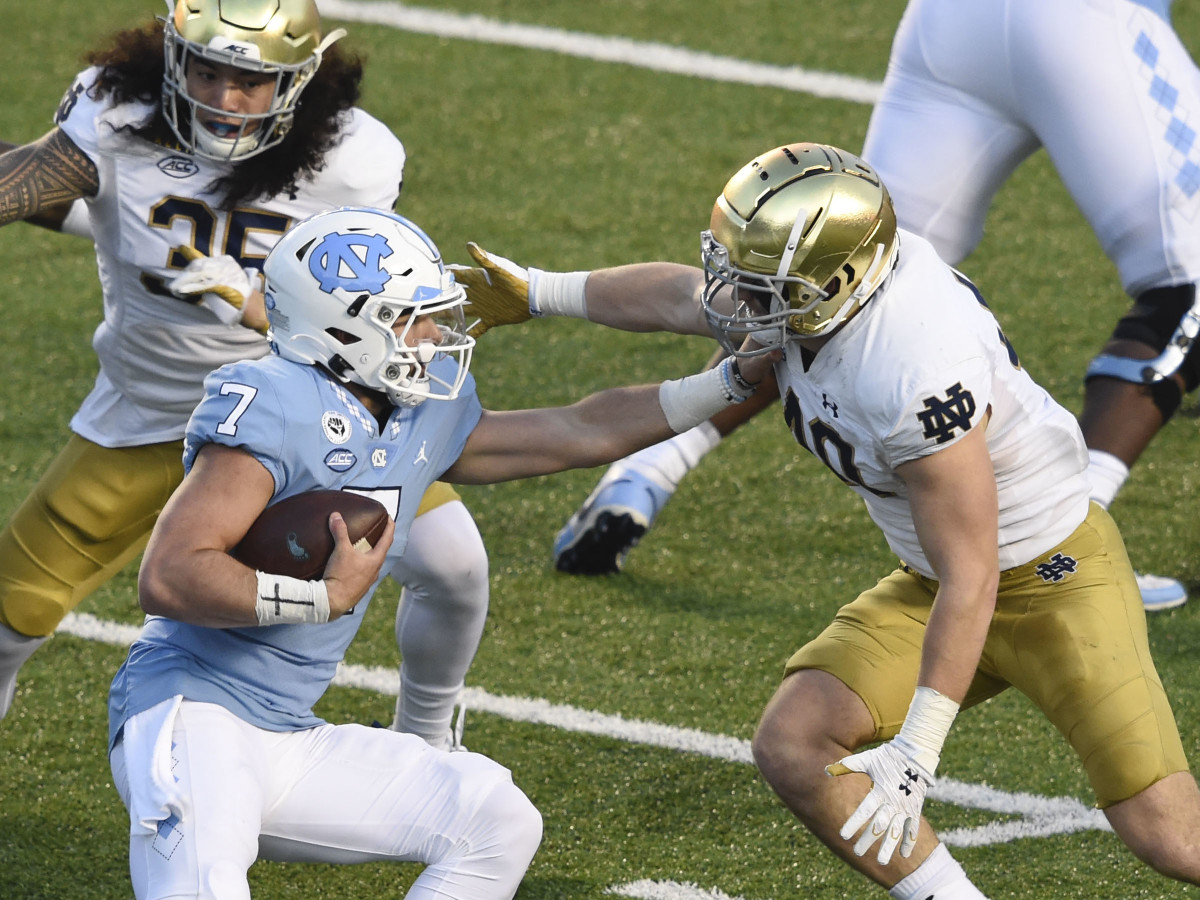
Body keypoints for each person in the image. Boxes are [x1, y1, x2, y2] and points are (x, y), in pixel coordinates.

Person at [454, 142, 1200, 896]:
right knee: (795, 741)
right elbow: (681, 297)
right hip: (934, 579)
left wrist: (918, 748)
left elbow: (974, 576)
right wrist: (540, 290)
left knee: (1168, 834)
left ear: (839, 281)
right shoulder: (830, 296)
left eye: (760, 287)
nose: (736, 305)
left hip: (1051, 582)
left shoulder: (910, 362)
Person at [109, 203, 770, 898]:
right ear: (343, 327)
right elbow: (171, 576)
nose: (433, 334)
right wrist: (322, 598)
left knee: (495, 818)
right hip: (191, 718)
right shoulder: (273, 399)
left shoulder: (421, 408)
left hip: (288, 736)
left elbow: (578, 431)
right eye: (410, 316)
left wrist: (724, 385)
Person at [552, 0, 1196, 612]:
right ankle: (1071, 538)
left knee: (827, 289)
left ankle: (648, 467)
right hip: (1086, 26)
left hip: (947, 28)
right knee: (1187, 286)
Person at [0, 0, 488, 750]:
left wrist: (255, 304)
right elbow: (32, 182)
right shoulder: (116, 114)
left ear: (298, 79)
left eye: (251, 81)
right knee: (8, 618)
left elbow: (367, 312)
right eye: (209, 70)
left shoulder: (353, 159)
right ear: (172, 58)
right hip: (153, 408)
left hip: (307, 414)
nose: (226, 99)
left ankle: (426, 738)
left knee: (455, 563)